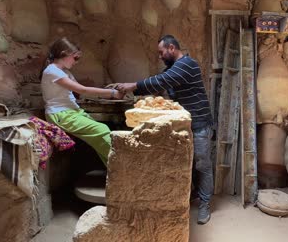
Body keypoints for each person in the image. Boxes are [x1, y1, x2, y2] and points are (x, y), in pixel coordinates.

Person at [116, 35, 214, 225]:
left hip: (200, 122)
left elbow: (163, 80)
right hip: (186, 123)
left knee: (202, 164)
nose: (160, 56)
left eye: (161, 52)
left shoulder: (187, 64)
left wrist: (132, 86)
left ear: (171, 48)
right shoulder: (173, 68)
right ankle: (195, 193)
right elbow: (161, 83)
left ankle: (205, 203)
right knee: (189, 161)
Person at [41, 37, 124, 166]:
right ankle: (122, 166)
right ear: (64, 54)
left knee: (101, 136)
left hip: (71, 112)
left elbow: (79, 90)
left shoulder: (64, 72)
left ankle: (115, 169)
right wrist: (112, 93)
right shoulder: (52, 71)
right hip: (60, 114)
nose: (76, 62)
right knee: (102, 130)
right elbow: (83, 90)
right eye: (75, 58)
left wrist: (109, 90)